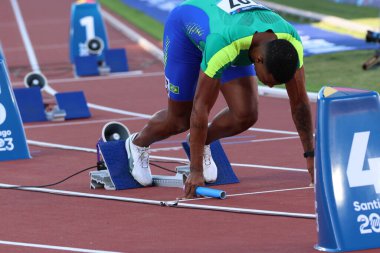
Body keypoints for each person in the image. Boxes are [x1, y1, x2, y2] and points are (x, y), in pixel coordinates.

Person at [125, 0, 315, 198]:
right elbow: (201, 107)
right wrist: (195, 171)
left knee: (246, 114)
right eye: (268, 81)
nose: (269, 86)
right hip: (186, 34)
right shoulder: (223, 42)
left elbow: (300, 103)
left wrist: (310, 156)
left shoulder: (291, 40)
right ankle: (137, 144)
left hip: (238, 38)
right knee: (180, 120)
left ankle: (201, 142)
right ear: (258, 59)